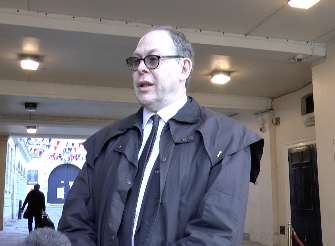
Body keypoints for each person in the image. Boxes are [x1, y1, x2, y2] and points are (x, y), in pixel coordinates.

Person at [58, 26, 264, 246]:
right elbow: (74, 223)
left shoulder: (228, 141)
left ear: (184, 68)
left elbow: (217, 236)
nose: (141, 68)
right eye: (136, 61)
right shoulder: (105, 142)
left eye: (153, 60)